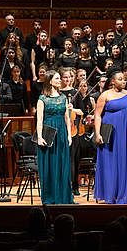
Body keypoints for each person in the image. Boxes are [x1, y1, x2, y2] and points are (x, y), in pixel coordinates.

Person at [94, 66, 127, 203]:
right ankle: (110, 193)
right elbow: (97, 115)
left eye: (124, 79)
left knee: (126, 163)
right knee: (110, 163)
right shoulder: (105, 95)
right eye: (120, 79)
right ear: (113, 81)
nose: (123, 81)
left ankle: (125, 194)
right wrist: (97, 133)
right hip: (110, 135)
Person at [36, 70, 73, 205]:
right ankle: (50, 197)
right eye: (57, 78)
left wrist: (69, 135)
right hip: (48, 133)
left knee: (62, 164)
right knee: (49, 165)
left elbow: (67, 118)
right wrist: (39, 137)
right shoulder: (42, 99)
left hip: (61, 132)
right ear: (50, 80)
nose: (60, 80)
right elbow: (39, 120)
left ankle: (63, 196)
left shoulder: (64, 98)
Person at [59, 67, 85, 196]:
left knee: (73, 159)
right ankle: (62, 185)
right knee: (62, 159)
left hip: (74, 130)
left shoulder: (76, 93)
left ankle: (74, 186)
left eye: (69, 77)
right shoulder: (57, 93)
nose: (67, 79)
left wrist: (72, 109)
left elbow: (82, 112)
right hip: (60, 129)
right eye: (65, 77)